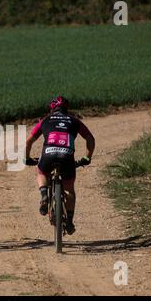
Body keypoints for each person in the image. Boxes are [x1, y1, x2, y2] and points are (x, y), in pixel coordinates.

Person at [25, 96, 95, 235]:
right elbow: (90, 139)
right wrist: (87, 157)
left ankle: (44, 194)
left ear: (52, 109)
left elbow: (29, 141)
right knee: (69, 189)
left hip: (48, 154)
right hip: (67, 156)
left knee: (41, 171)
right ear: (66, 108)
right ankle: (69, 221)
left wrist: (27, 158)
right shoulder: (75, 121)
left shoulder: (45, 120)